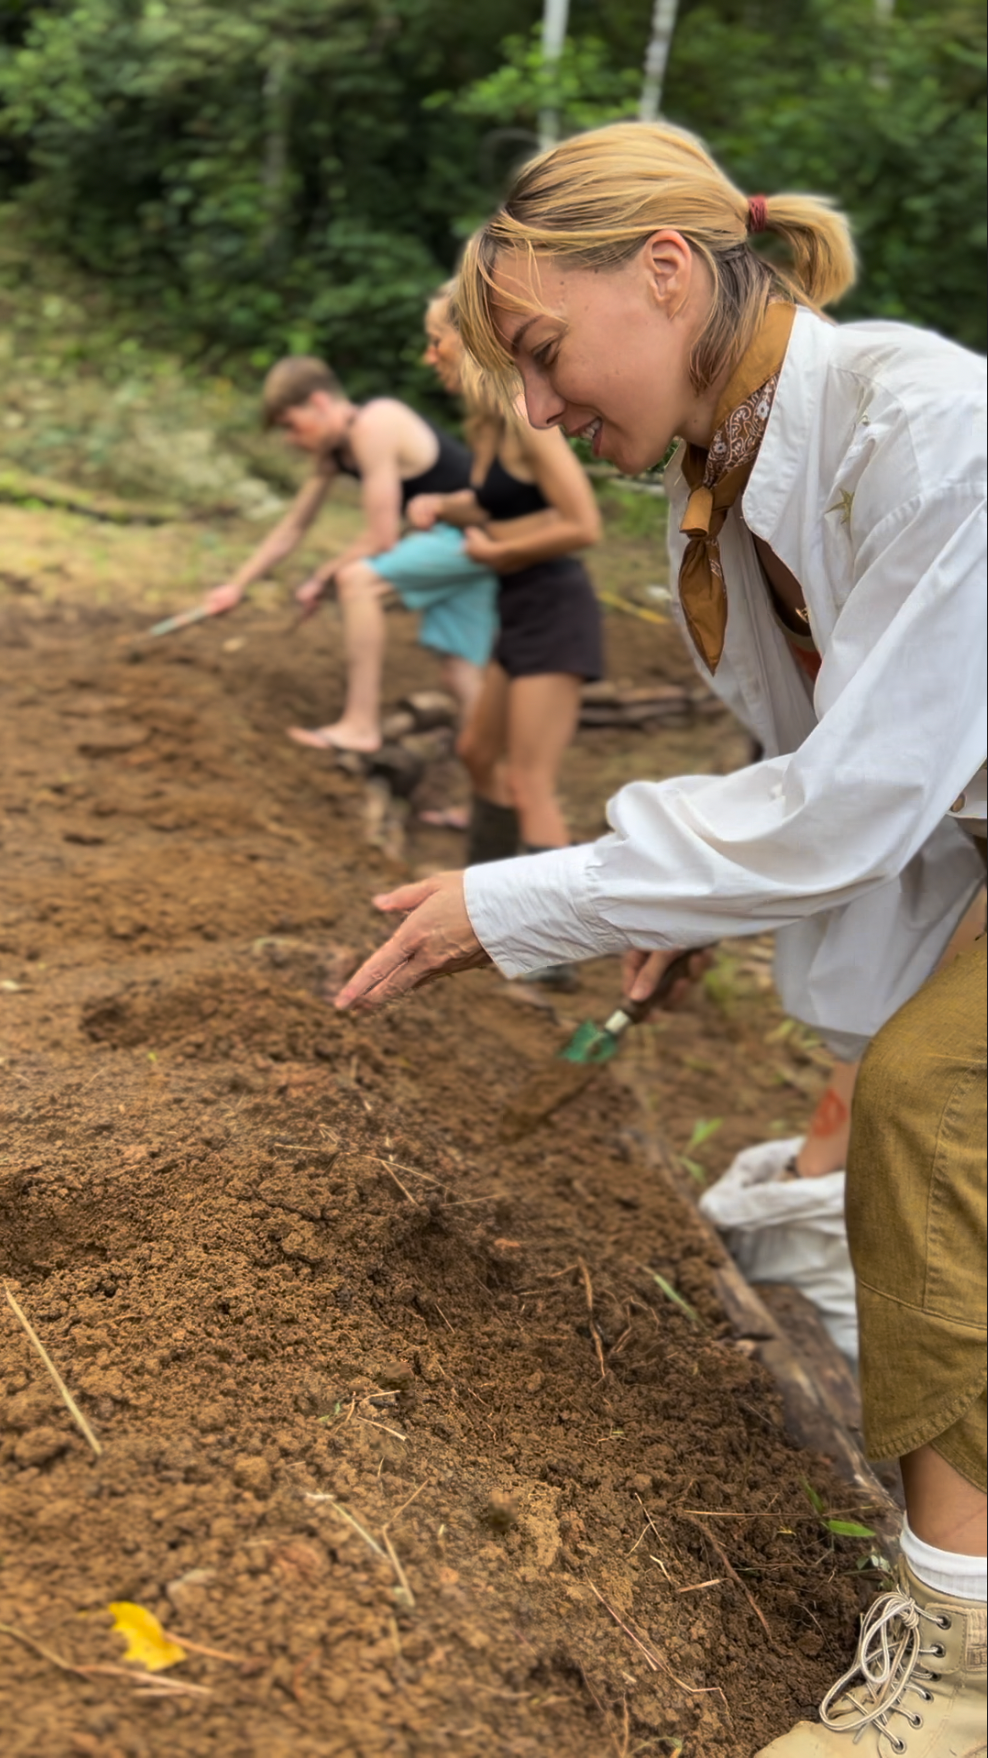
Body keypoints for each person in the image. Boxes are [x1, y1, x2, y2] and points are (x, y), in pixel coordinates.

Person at [334, 121, 987, 1753]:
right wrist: (694, 897)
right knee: (899, 1134)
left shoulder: (931, 432)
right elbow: (818, 763)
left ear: (667, 268)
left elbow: (851, 797)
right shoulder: (730, 479)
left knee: (925, 1109)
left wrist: (530, 894)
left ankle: (963, 1666)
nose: (540, 410)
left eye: (544, 355)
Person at [412, 285, 603, 905]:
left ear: (471, 343)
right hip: (518, 607)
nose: (428, 356)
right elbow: (501, 500)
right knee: (476, 751)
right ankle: (484, 907)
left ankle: (553, 948)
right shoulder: (488, 424)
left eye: (435, 340)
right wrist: (444, 505)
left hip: (553, 608)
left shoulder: (526, 417)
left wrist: (498, 553)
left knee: (529, 780)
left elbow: (583, 524)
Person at [203, 357, 498, 753]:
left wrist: (323, 576)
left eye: (291, 425)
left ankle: (360, 726)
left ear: (320, 403)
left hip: (480, 536)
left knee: (357, 580)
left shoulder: (376, 424)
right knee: (460, 671)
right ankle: (489, 793)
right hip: (463, 543)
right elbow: (293, 527)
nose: (291, 439)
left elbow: (382, 537)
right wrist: (236, 586)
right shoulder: (335, 454)